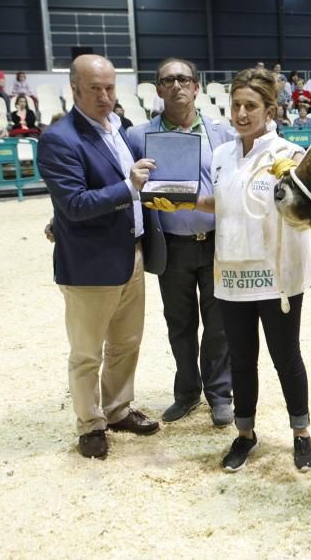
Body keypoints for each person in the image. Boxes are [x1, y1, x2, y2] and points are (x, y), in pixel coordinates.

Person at [188, 67, 311, 473]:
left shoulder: (289, 154)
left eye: (251, 106)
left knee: (286, 358)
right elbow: (221, 203)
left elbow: (308, 205)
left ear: (269, 109)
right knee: (241, 361)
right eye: (236, 105)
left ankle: (301, 433)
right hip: (231, 274)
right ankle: (244, 434)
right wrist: (182, 200)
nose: (242, 113)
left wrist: (295, 178)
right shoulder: (223, 155)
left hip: (277, 275)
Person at [36, 54, 164, 459]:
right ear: (74, 88)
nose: (105, 96)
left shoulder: (118, 128)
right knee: (88, 352)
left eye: (109, 88)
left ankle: (118, 408)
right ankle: (90, 424)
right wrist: (129, 187)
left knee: (126, 343)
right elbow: (73, 203)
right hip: (90, 264)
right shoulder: (60, 139)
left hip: (132, 254)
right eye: (95, 88)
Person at [127, 57, 236, 427]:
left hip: (218, 242)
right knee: (180, 323)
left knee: (219, 324)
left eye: (183, 79)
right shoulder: (137, 136)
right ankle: (187, 392)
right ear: (158, 89)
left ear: (196, 87)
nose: (176, 86)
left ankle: (221, 395)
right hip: (171, 245)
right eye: (168, 80)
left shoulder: (222, 133)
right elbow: (124, 186)